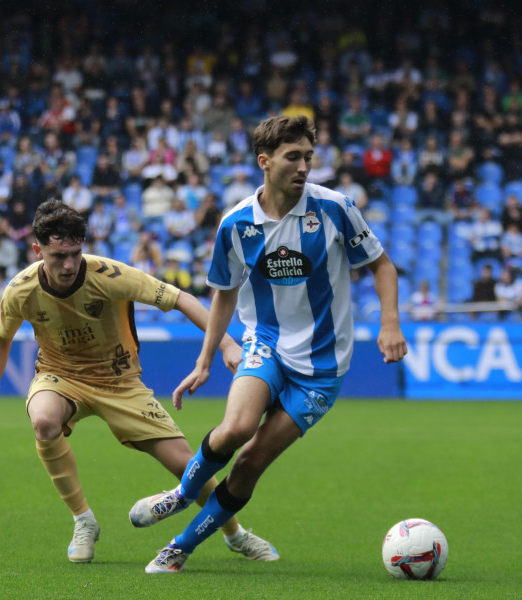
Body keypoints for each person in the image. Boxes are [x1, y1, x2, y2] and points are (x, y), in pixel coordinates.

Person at [129, 115, 407, 573]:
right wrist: (204, 361)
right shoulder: (236, 224)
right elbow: (224, 294)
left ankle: (180, 547)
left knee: (252, 461)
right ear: (265, 161)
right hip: (268, 342)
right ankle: (182, 494)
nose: (303, 167)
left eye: (308, 158)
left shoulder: (334, 208)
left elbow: (382, 266)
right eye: (292, 157)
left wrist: (390, 323)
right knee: (235, 428)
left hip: (323, 365)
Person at [0, 199, 278, 565]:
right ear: (37, 249)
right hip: (60, 376)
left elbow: (181, 298)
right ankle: (84, 521)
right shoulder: (20, 290)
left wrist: (226, 344)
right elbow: (0, 340)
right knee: (43, 419)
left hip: (120, 383)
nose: (68, 265)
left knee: (187, 466)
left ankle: (234, 533)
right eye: (57, 256)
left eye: (75, 253)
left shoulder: (110, 275)